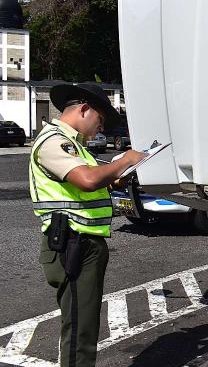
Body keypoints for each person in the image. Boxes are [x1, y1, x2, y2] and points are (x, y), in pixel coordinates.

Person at [29, 83, 146, 367]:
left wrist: (121, 174)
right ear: (84, 109)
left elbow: (95, 180)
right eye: (100, 120)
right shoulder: (52, 141)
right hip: (72, 244)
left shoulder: (74, 146)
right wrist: (124, 161)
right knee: (80, 331)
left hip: (83, 243)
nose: (101, 128)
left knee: (85, 326)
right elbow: (88, 179)